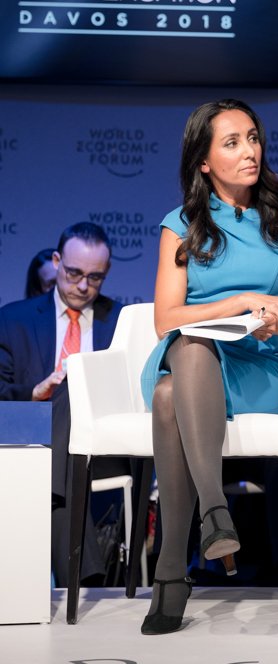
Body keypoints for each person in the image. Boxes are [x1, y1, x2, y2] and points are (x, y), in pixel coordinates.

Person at [137, 98, 278, 635]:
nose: (250, 151)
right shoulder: (180, 225)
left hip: (258, 366)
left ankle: (172, 569)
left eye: (252, 138)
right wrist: (241, 301)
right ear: (204, 161)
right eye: (232, 143)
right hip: (192, 354)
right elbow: (165, 319)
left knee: (167, 396)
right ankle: (213, 511)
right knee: (188, 346)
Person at [0, 223, 123, 587]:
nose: (83, 286)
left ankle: (32, 578)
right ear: (56, 262)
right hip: (31, 446)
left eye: (95, 278)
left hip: (102, 450)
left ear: (106, 272)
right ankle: (84, 580)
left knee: (75, 386)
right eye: (74, 273)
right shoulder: (14, 320)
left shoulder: (120, 321)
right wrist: (36, 391)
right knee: (64, 391)